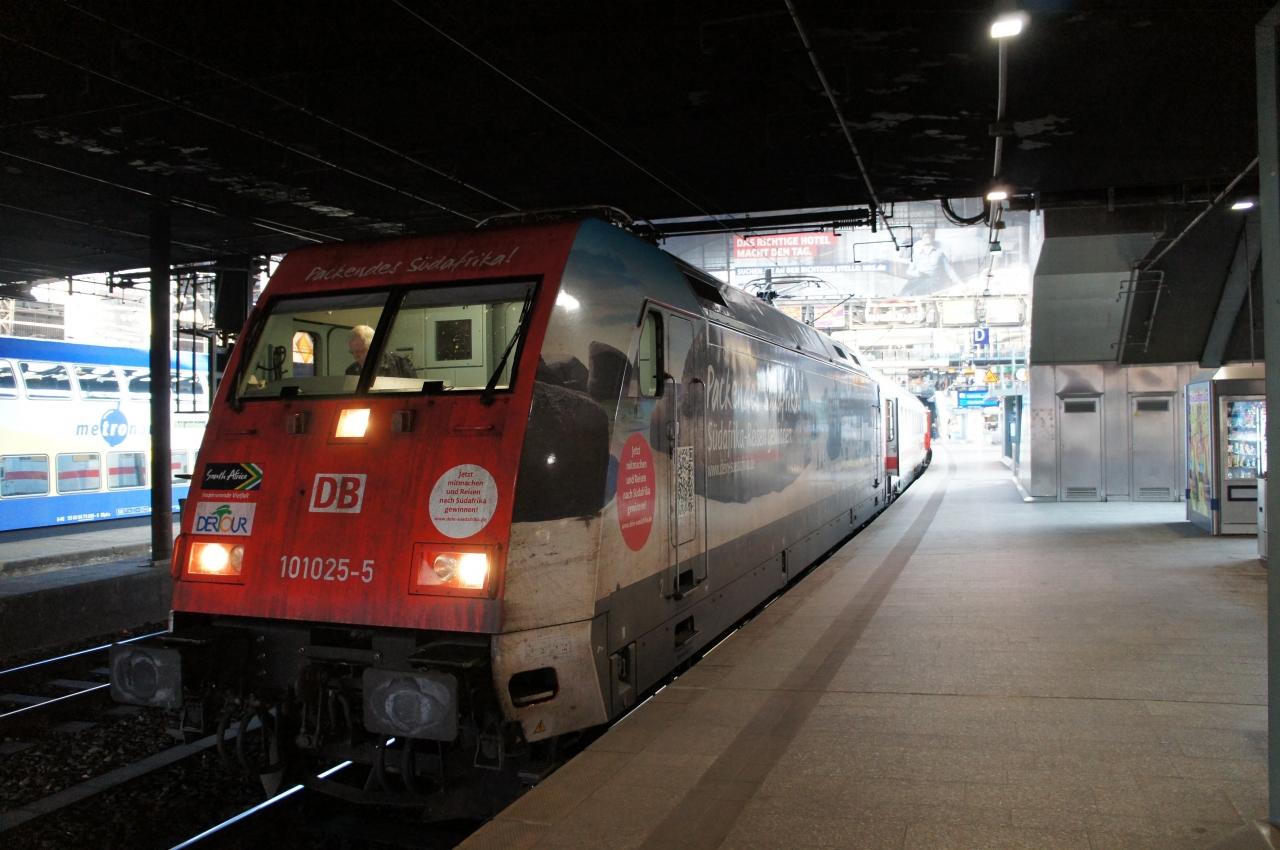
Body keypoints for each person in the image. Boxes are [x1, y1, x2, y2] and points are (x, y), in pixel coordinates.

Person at [901, 229, 962, 296]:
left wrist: (959, 282)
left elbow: (949, 270)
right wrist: (917, 273)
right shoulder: (917, 254)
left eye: (928, 237)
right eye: (924, 237)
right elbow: (909, 271)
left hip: (933, 280)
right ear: (922, 239)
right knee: (905, 290)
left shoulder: (939, 253)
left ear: (932, 239)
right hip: (919, 278)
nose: (926, 239)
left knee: (914, 292)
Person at [346, 325, 416, 377]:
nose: (356, 356)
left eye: (360, 351)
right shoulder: (351, 371)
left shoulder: (400, 363)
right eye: (352, 352)